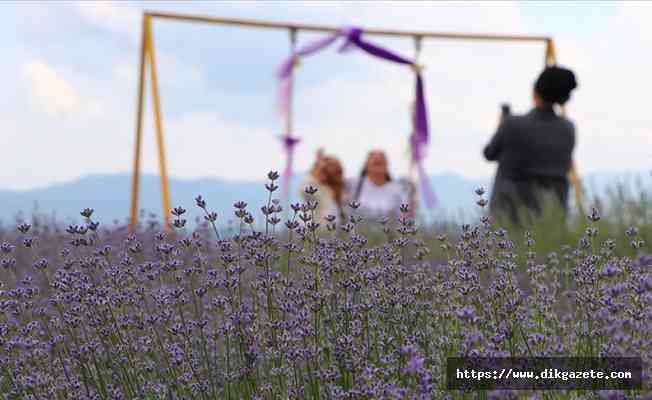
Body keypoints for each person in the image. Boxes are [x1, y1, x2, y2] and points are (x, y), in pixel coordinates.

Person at [483, 65, 578, 224]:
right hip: (552, 216)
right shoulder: (568, 129)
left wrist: (501, 126)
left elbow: (489, 153)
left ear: (535, 91)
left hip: (509, 217)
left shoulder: (512, 125)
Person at [350, 150, 410, 219]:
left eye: (381, 161)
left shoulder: (398, 190)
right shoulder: (353, 184)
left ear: (387, 165)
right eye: (375, 162)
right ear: (366, 165)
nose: (378, 158)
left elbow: (404, 217)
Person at [300, 149, 346, 222]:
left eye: (339, 171)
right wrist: (318, 169)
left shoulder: (344, 190)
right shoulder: (317, 190)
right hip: (316, 230)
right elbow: (304, 189)